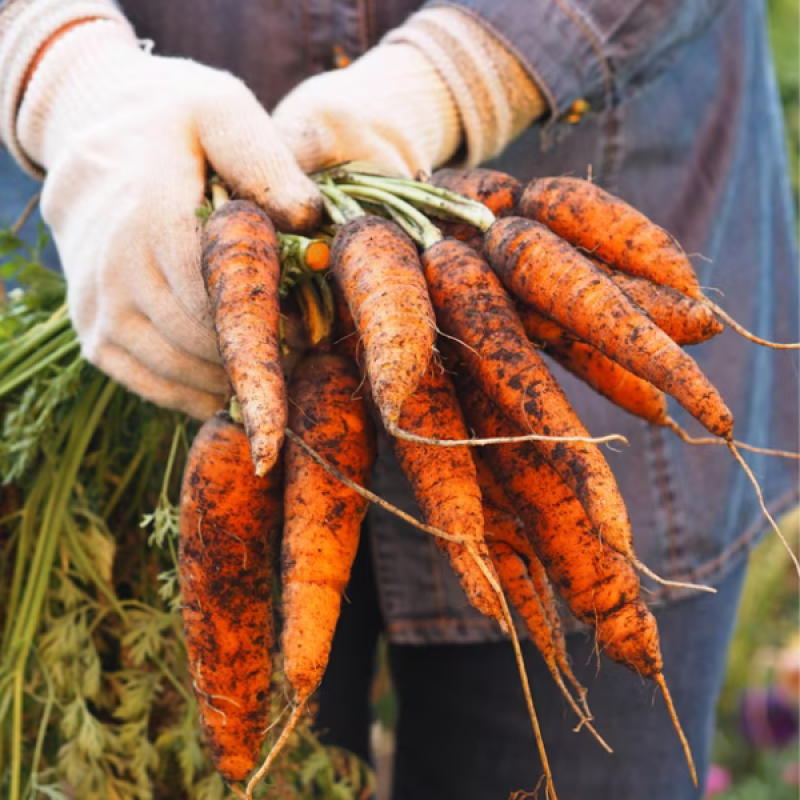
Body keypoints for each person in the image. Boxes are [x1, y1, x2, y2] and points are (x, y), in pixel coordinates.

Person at [0, 1, 797, 798]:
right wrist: (64, 71)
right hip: (143, 248)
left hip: (607, 141)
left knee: (584, 590)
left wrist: (464, 72)